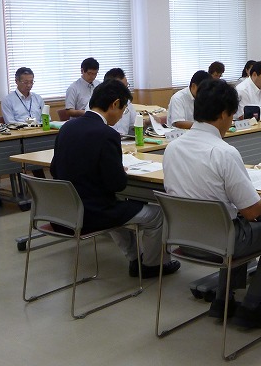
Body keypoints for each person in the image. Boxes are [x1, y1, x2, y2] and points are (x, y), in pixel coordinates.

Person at [163, 79, 261, 329]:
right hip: (220, 243)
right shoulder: (224, 152)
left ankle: (222, 300)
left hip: (184, 240)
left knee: (236, 223)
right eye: (232, 115)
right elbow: (252, 211)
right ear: (224, 114)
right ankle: (251, 306)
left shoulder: (172, 148)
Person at [51, 80, 180, 279]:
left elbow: (54, 169)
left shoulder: (67, 127)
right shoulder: (107, 134)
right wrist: (117, 170)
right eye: (123, 109)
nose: (122, 115)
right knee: (157, 215)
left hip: (63, 212)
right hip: (91, 214)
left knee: (117, 206)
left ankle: (135, 259)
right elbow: (117, 184)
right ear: (114, 104)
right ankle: (152, 265)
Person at [103, 68, 136, 135]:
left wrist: (147, 122)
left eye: (127, 86)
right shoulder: (96, 104)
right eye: (123, 88)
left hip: (125, 140)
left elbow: (133, 126)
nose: (126, 91)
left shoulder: (127, 102)